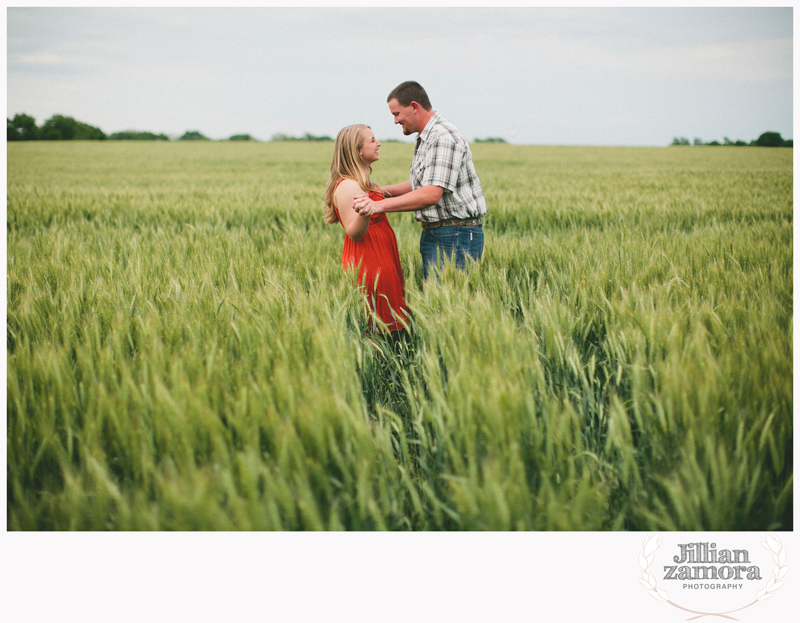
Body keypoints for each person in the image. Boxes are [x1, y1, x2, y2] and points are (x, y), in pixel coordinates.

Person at [353, 81, 488, 279]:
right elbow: (421, 184)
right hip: (443, 233)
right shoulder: (428, 136)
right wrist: (378, 192)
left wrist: (378, 205)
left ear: (414, 107)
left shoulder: (441, 137)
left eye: (396, 114)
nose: (395, 121)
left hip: (454, 235)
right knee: (440, 303)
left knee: (448, 305)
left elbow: (431, 193)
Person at [324, 124, 408, 337]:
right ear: (357, 150)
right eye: (372, 140)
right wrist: (366, 210)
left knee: (388, 326)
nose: (378, 143)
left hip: (381, 257)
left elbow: (387, 194)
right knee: (377, 329)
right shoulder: (348, 186)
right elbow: (355, 232)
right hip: (369, 262)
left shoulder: (364, 182)